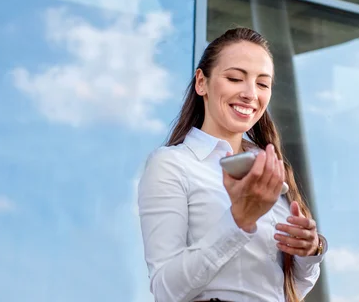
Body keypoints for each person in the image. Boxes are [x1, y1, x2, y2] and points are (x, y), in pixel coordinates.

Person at [137, 27, 327, 302]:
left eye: (263, 84)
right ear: (201, 82)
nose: (251, 94)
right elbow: (166, 290)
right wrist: (239, 220)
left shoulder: (269, 169)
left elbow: (285, 289)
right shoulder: (172, 165)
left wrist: (308, 252)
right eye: (235, 78)